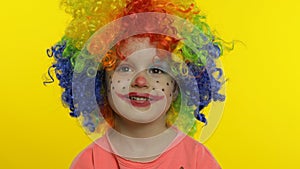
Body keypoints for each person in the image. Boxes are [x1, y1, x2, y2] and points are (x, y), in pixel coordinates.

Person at [45, 0, 229, 168]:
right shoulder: (90, 162)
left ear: (177, 86)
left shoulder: (197, 159)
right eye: (125, 68)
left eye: (156, 70)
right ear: (100, 80)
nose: (140, 81)